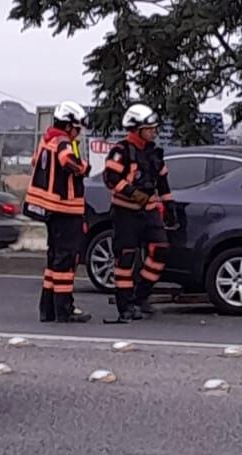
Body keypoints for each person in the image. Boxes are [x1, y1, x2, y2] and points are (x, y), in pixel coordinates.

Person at [103, 103, 178, 323]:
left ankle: (140, 296)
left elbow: (162, 183)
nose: (154, 131)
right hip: (125, 213)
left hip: (150, 212)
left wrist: (169, 206)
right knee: (125, 258)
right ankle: (125, 306)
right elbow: (111, 178)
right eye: (149, 128)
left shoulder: (154, 152)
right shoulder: (121, 151)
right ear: (136, 129)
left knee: (161, 250)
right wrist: (132, 193)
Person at [24, 101, 93, 323]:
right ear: (69, 125)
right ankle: (63, 309)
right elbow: (67, 162)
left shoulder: (47, 140)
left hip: (50, 209)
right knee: (65, 261)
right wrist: (84, 167)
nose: (78, 132)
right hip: (65, 209)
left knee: (54, 261)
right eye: (77, 127)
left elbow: (36, 162)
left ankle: (48, 308)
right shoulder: (63, 142)